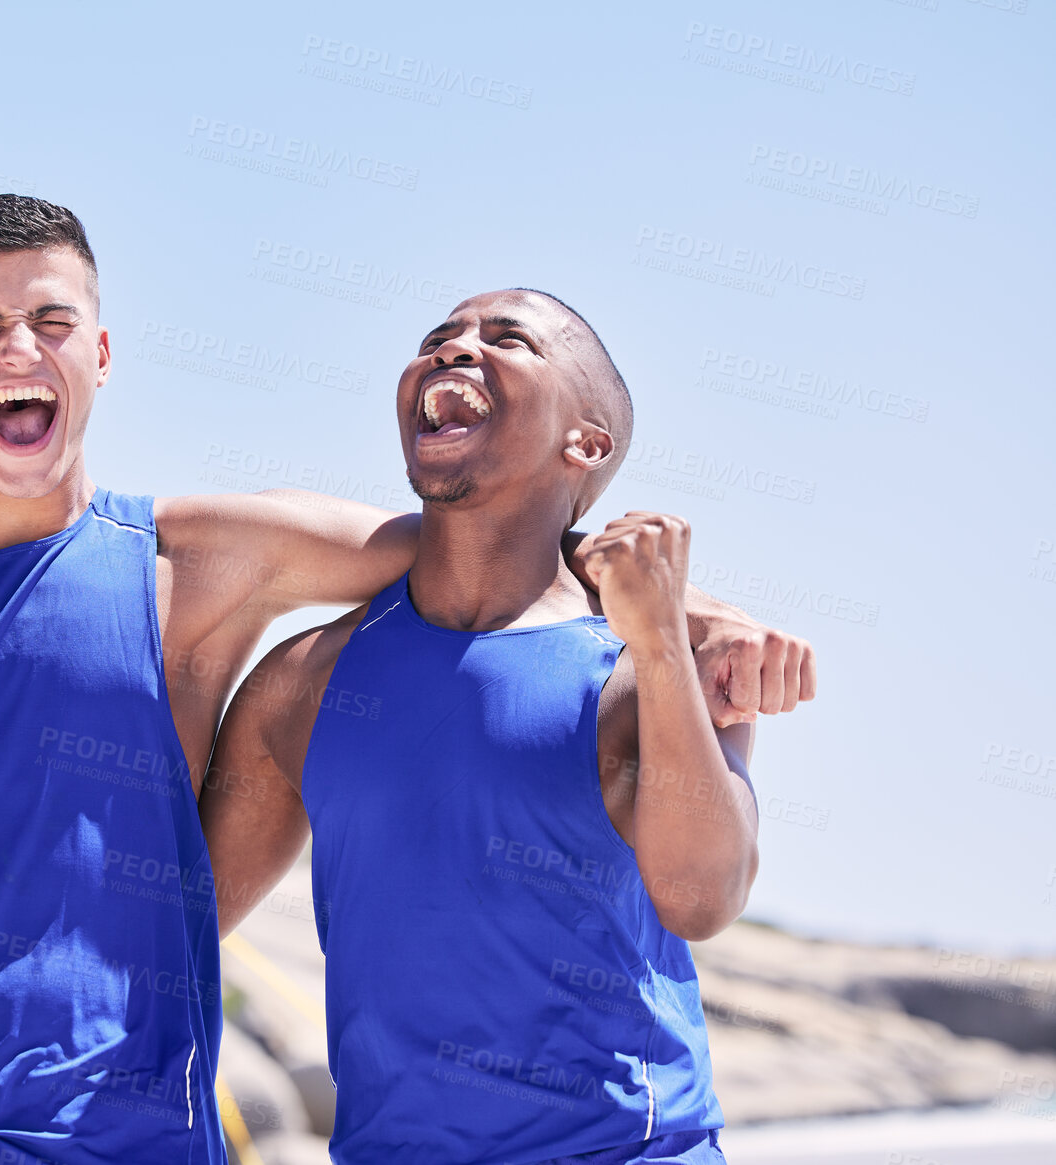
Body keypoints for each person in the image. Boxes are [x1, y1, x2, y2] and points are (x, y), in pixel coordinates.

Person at [0, 65, 810, 1164]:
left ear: (100, 356)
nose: (22, 349)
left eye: (53, 322)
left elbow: (473, 535)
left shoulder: (192, 564)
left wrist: (684, 609)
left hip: (123, 1134)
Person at [200, 288, 804, 1163]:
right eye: (436, 340)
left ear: (585, 442)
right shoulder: (303, 683)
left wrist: (666, 643)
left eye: (507, 339)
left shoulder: (658, 667)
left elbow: (704, 897)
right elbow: (175, 920)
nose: (452, 351)